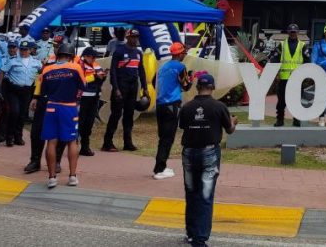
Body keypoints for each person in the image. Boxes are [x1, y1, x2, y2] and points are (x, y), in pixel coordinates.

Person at [178, 73, 238, 247]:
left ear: (197, 87)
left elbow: (182, 126)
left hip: (189, 153)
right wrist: (233, 122)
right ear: (212, 88)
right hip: (209, 153)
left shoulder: (187, 107)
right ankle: (200, 239)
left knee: (191, 193)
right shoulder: (219, 106)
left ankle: (191, 234)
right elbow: (229, 130)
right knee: (205, 196)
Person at [39, 43, 85, 188]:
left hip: (51, 107)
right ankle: (72, 176)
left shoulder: (47, 69)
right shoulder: (75, 67)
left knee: (51, 142)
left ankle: (52, 178)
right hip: (69, 107)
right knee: (72, 141)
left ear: (58, 55)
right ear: (71, 56)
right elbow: (83, 85)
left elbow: (43, 90)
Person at [102, 28, 149, 152]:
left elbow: (141, 71)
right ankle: (107, 143)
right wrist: (116, 88)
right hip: (121, 85)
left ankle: (128, 143)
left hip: (133, 86)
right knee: (116, 114)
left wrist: (145, 87)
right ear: (128, 37)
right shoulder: (119, 51)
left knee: (129, 115)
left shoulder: (138, 53)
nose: (135, 39)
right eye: (133, 37)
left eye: (136, 37)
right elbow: (113, 71)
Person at [153, 41, 192, 179]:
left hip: (160, 105)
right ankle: (159, 170)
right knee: (168, 138)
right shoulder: (180, 67)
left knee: (163, 137)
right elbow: (186, 86)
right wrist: (191, 79)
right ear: (179, 54)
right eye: (184, 53)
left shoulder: (163, 67)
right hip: (172, 105)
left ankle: (161, 166)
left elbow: (154, 82)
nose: (184, 56)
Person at [0, 40, 41, 147]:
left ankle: (18, 137)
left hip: (27, 91)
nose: (23, 51)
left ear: (30, 50)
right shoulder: (13, 60)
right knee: (14, 112)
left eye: (25, 50)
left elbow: (42, 72)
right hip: (13, 90)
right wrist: (0, 86)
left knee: (22, 114)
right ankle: (9, 137)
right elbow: (2, 71)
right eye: (21, 49)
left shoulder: (36, 62)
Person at [271, 23, 307, 127]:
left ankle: (296, 120)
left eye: (294, 32)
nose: (293, 34)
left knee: (297, 100)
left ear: (298, 32)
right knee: (281, 101)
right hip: (284, 78)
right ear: (288, 32)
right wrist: (276, 73)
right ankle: (280, 120)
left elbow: (307, 60)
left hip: (297, 78)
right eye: (291, 32)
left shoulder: (303, 45)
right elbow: (275, 59)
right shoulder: (282, 45)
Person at [76, 47, 106, 155]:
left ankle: (85, 147)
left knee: (89, 123)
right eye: (92, 57)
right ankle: (74, 146)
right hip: (83, 98)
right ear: (85, 56)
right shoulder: (79, 65)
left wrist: (103, 76)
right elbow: (80, 80)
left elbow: (101, 76)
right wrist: (94, 76)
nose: (93, 59)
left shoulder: (96, 65)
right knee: (80, 123)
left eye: (94, 57)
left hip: (94, 98)